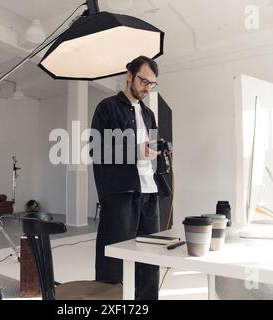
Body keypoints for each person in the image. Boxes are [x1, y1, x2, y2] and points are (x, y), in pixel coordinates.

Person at [91, 56, 161, 300]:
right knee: (114, 257)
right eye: (143, 80)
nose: (147, 87)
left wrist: (154, 152)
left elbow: (146, 150)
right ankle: (107, 300)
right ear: (129, 75)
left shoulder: (150, 115)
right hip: (120, 192)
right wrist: (134, 148)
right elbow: (96, 149)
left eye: (152, 84)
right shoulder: (107, 107)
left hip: (149, 192)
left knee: (150, 257)